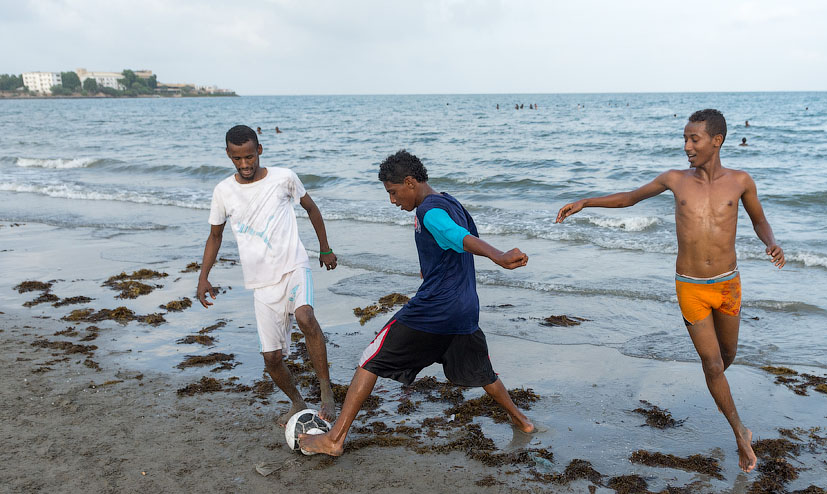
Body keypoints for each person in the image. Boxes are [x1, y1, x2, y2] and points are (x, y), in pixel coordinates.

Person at [555, 109, 785, 473]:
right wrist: (587, 201)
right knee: (712, 364)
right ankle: (740, 433)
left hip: (728, 286)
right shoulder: (675, 180)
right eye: (685, 139)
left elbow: (759, 219)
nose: (687, 146)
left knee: (726, 358)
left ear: (717, 141)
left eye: (694, 139)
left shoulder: (741, 181)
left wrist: (771, 243)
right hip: (689, 287)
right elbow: (631, 197)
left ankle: (719, 391)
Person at [297, 150, 536, 456]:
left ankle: (334, 439)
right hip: (464, 309)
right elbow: (452, 244)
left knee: (370, 358)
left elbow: (457, 235)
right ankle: (522, 421)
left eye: (393, 192)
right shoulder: (452, 202)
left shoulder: (429, 210)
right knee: (481, 370)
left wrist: (499, 256)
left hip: (434, 309)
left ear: (410, 182)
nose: (393, 201)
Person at [197, 125, 338, 426]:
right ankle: (297, 402)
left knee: (305, 317)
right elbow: (215, 236)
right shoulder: (223, 192)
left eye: (249, 157)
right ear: (228, 155)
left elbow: (312, 209)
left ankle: (326, 392)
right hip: (261, 281)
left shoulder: (284, 178)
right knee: (271, 358)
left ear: (259, 150)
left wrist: (324, 249)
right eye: (237, 159)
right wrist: (203, 277)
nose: (245, 165)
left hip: (293, 265)